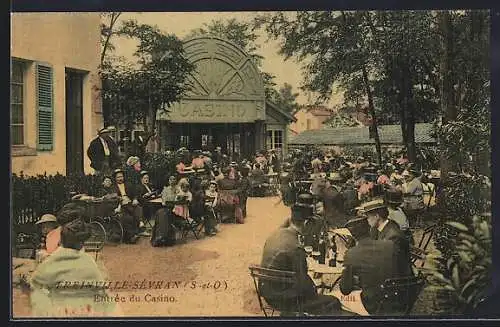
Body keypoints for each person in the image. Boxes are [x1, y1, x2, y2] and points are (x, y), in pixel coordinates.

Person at [259, 204, 344, 316]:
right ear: (306, 223)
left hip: (267, 291)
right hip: (283, 299)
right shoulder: (295, 247)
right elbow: (303, 284)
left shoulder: (275, 234)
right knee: (333, 301)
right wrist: (316, 290)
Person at [30, 217, 122, 317]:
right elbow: (102, 291)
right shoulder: (89, 263)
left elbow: (36, 284)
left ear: (61, 241)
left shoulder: (50, 262)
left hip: (59, 311)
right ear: (81, 244)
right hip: (86, 311)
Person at [364, 199, 412, 277]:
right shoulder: (386, 226)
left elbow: (390, 263)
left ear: (377, 216)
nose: (367, 220)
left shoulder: (393, 236)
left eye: (368, 217)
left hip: (397, 280)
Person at [112, 169, 140, 244]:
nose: (120, 178)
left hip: (129, 203)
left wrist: (135, 199)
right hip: (120, 205)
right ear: (115, 178)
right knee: (127, 217)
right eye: (118, 177)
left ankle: (138, 228)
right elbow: (113, 197)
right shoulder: (113, 187)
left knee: (138, 208)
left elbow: (134, 194)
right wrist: (120, 199)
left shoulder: (128, 184)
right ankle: (131, 237)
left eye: (121, 176)